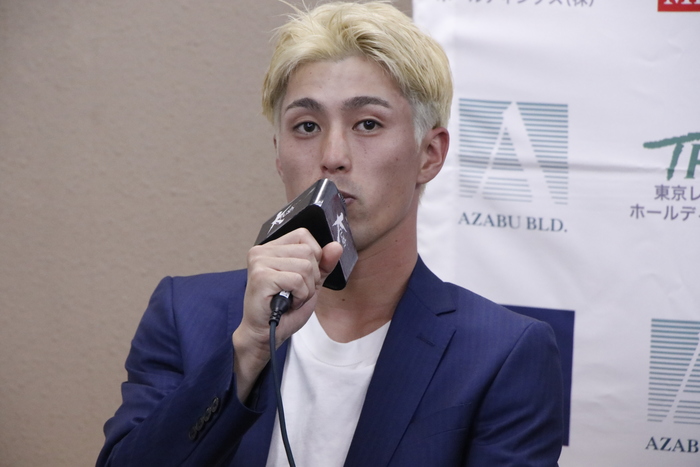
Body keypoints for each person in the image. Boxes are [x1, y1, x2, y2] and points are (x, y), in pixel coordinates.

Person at [97, 2, 564, 466]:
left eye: (368, 124)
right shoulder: (184, 314)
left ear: (429, 155)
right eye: (307, 126)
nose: (333, 156)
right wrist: (247, 353)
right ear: (278, 154)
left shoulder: (502, 353)